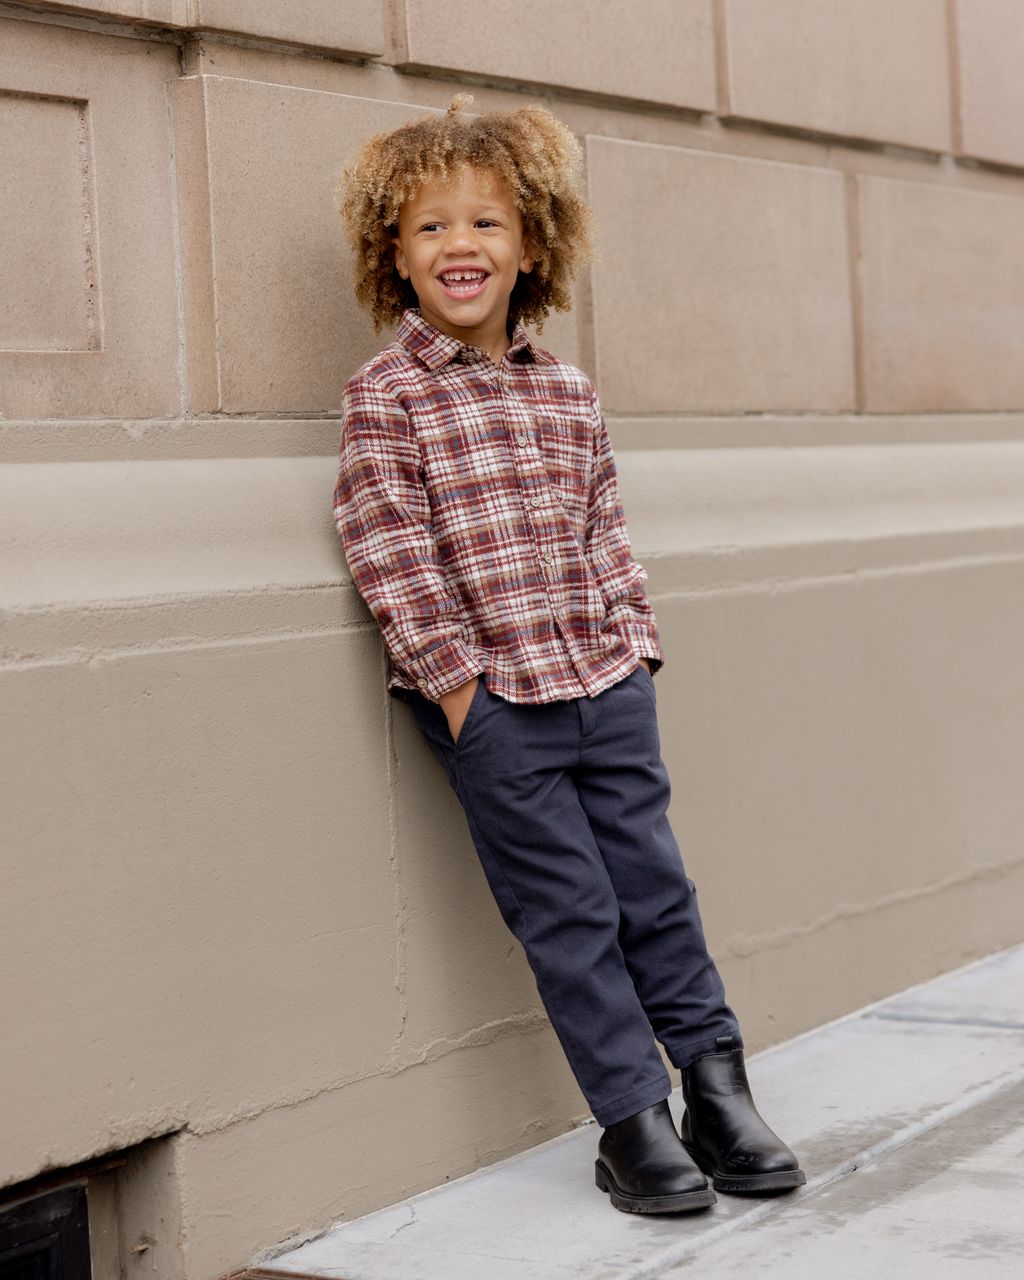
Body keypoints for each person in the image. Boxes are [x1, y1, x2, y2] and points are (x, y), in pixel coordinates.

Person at [332, 94, 805, 1215]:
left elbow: (605, 532)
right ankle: (632, 1117)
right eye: (431, 227)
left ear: (531, 242)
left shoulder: (566, 391)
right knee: (571, 913)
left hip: (603, 682)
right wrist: (461, 696)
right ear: (393, 257)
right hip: (497, 706)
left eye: (486, 223)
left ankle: (716, 1085)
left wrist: (633, 652)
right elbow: (387, 548)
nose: (461, 246)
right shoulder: (385, 397)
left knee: (655, 893)